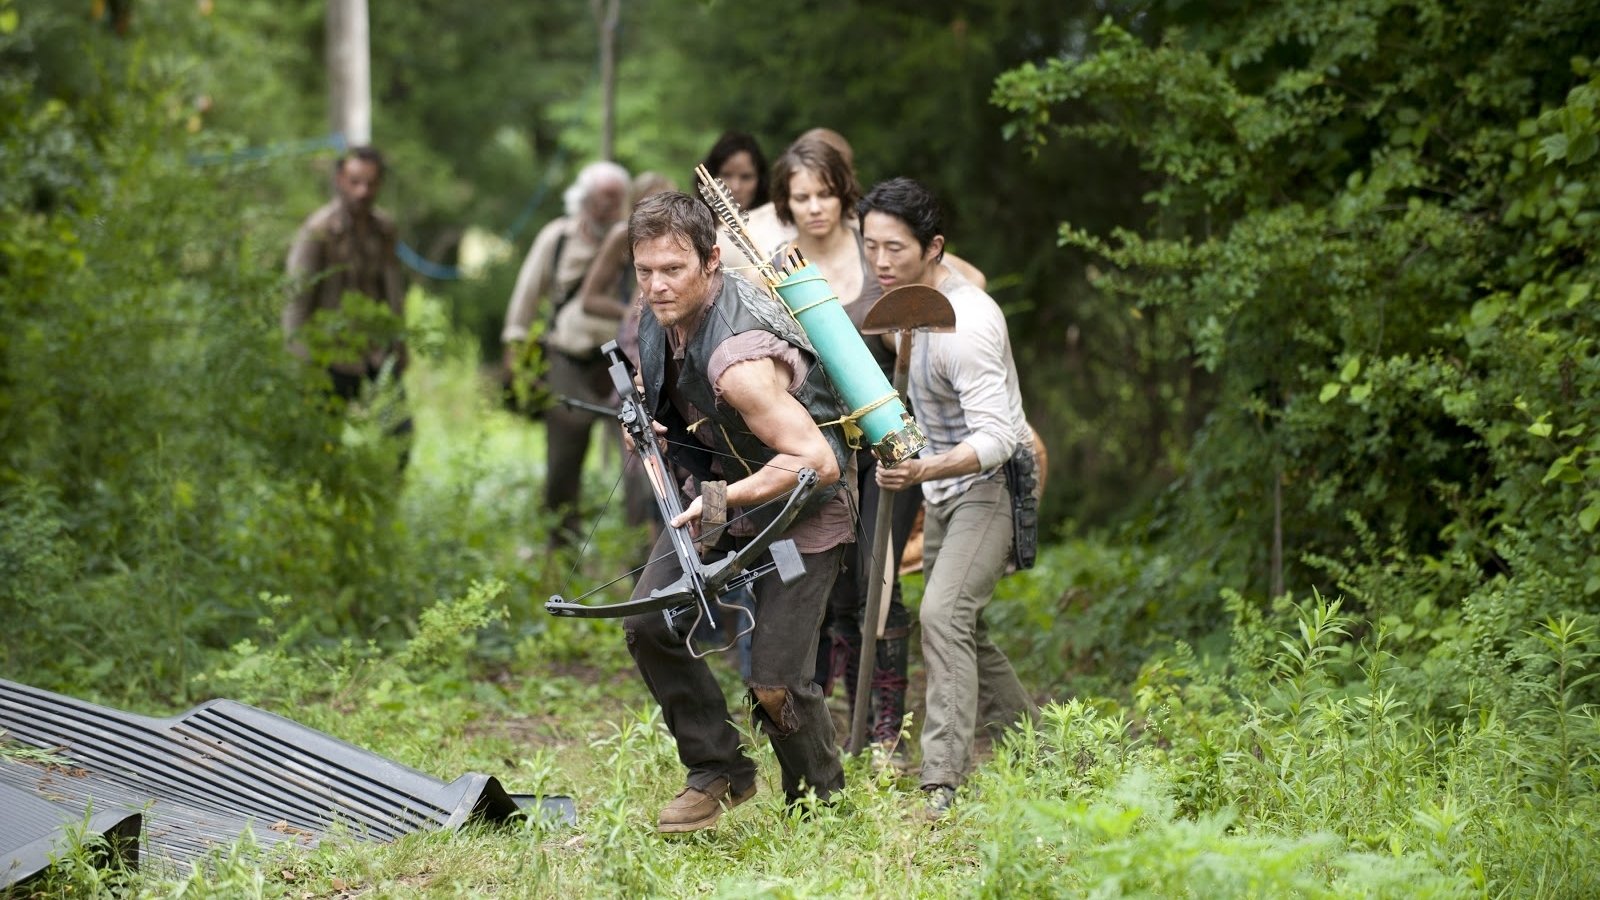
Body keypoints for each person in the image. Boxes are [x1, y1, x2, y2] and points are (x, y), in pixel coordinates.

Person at [622, 191, 856, 832]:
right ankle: (718, 770)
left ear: (711, 261)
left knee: (776, 682)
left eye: (673, 269)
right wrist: (651, 426)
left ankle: (821, 809)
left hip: (801, 509)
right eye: (645, 270)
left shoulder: (742, 363)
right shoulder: (660, 318)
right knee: (648, 621)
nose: (657, 284)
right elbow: (669, 395)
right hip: (714, 494)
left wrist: (725, 498)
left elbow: (817, 461)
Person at [859, 177, 1037, 819]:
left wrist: (923, 467)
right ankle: (1040, 747)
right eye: (871, 247)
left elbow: (998, 437)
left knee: (941, 617)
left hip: (989, 487)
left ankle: (940, 780)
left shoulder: (970, 325)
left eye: (896, 250)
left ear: (934, 248)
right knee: (961, 625)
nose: (881, 263)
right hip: (944, 490)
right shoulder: (909, 306)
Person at [768, 137, 918, 754]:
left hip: (882, 449)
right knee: (821, 583)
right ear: (786, 201)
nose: (814, 208)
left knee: (878, 582)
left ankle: (884, 730)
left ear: (844, 192)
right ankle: (827, 727)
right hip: (814, 453)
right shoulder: (773, 262)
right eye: (801, 196)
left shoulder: (875, 249)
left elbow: (955, 279)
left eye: (825, 193)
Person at [501, 160, 631, 547]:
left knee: (640, 454)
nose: (608, 208)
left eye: (616, 200)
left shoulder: (632, 239)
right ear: (585, 198)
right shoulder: (557, 237)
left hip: (618, 359)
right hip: (567, 356)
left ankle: (640, 544)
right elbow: (526, 295)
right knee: (563, 454)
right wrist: (515, 345)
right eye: (602, 199)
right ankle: (560, 540)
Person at [284, 145, 412, 450]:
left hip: (375, 352)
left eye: (370, 183)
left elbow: (392, 292)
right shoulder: (318, 231)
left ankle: (387, 489)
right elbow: (296, 301)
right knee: (323, 442)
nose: (362, 191)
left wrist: (400, 343)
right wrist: (302, 361)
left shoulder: (384, 230)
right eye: (355, 182)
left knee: (400, 434)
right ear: (341, 179)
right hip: (328, 356)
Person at [699, 131, 770, 271]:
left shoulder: (774, 228)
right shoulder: (692, 225)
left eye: (746, 177)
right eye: (726, 175)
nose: (735, 187)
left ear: (760, 181)